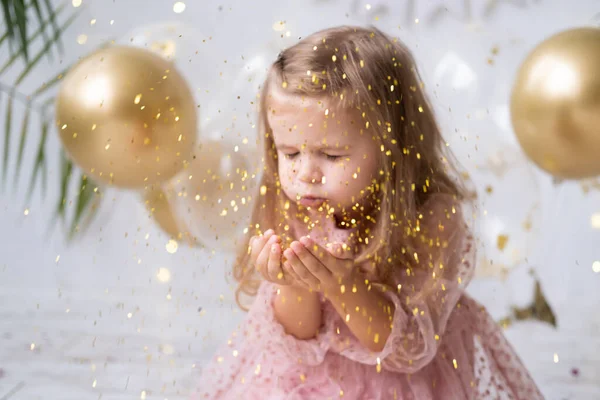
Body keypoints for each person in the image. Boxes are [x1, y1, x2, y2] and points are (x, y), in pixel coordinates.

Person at [193, 26, 544, 399]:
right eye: (290, 152)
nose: (305, 174)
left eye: (331, 155)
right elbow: (297, 344)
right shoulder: (288, 203)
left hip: (404, 386)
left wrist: (341, 284)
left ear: (393, 146)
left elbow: (405, 352)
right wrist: (294, 282)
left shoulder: (431, 215)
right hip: (308, 383)